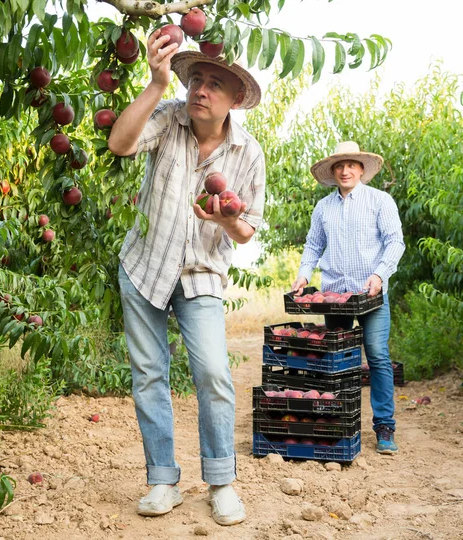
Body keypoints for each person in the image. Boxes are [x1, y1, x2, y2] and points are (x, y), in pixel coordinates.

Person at [107, 29, 265, 526]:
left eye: (215, 84)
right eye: (196, 79)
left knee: (213, 374)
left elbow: (246, 231)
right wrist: (155, 85)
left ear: (235, 98)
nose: (201, 90)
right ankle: (162, 480)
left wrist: (224, 219)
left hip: (201, 276)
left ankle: (220, 483)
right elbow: (119, 143)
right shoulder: (168, 118)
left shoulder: (248, 154)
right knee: (149, 375)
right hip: (145, 266)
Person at [291, 141, 405, 455]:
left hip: (371, 294)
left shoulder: (379, 201)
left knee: (378, 355)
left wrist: (380, 274)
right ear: (332, 172)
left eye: (351, 165)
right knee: (340, 360)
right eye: (339, 166)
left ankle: (384, 426)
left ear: (361, 169)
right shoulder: (323, 208)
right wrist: (304, 274)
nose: (345, 170)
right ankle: (341, 422)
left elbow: (395, 242)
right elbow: (313, 246)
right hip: (336, 296)